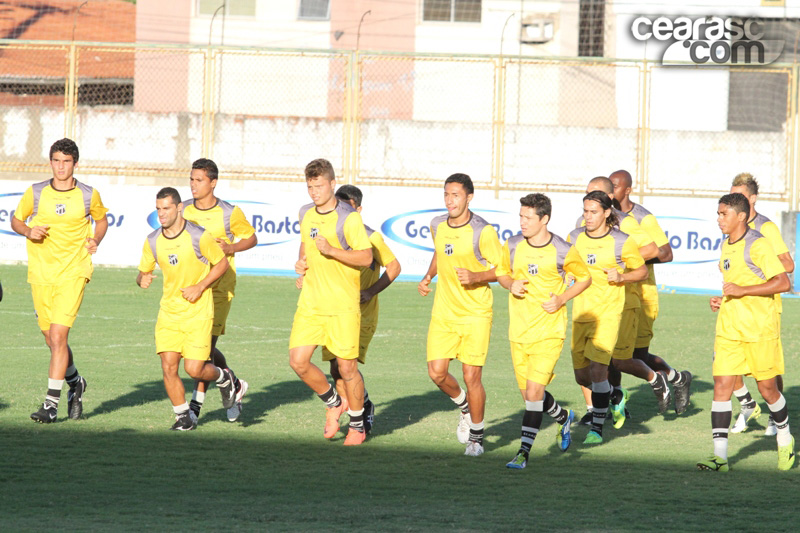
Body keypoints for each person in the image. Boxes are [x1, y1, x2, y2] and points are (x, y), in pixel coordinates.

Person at [11, 138, 108, 423]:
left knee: (58, 336)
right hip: (42, 274)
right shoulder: (36, 192)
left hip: (74, 271)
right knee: (51, 339)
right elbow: (17, 220)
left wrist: (95, 239)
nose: (61, 166)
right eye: (56, 160)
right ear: (50, 162)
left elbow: (101, 220)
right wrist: (28, 231)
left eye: (66, 161)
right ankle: (76, 382)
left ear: (75, 164)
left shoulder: (88, 194)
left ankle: (50, 405)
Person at [699, 192, 793, 471]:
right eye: (718, 214)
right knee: (722, 386)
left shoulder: (758, 244)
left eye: (724, 214)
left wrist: (743, 291)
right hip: (729, 328)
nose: (719, 219)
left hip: (759, 330)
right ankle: (720, 457)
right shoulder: (725, 244)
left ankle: (785, 438)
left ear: (741, 216)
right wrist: (723, 299)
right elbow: (736, 283)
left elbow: (783, 282)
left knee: (768, 390)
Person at [497, 193, 591, 468]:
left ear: (544, 219)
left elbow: (585, 278)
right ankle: (563, 417)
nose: (522, 222)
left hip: (549, 332)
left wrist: (562, 299)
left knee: (535, 392)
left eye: (528, 217)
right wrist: (510, 284)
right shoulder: (512, 244)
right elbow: (501, 272)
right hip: (519, 332)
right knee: (531, 396)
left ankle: (523, 453)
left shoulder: (562, 250)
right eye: (521, 216)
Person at [136, 187, 236, 430]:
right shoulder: (153, 240)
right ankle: (183, 417)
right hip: (169, 313)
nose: (161, 213)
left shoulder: (198, 236)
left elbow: (221, 264)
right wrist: (142, 279)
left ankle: (225, 378)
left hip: (198, 313)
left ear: (179, 208)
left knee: (194, 369)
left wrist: (200, 286)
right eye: (158, 209)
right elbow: (142, 273)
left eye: (166, 208)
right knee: (168, 366)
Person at [418, 173, 503, 457]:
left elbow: (504, 269)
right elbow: (440, 252)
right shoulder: (437, 224)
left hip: (476, 313)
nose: (449, 200)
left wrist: (477, 276)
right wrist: (428, 276)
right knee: (436, 372)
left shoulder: (483, 231)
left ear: (469, 197)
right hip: (444, 312)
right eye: (446, 194)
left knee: (471, 376)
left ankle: (476, 438)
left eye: (455, 195)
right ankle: (464, 407)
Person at [290, 159, 373, 446]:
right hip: (311, 304)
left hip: (342, 307)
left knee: (347, 369)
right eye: (310, 187)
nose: (314, 192)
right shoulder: (305, 213)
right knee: (298, 361)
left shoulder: (349, 218)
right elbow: (305, 245)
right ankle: (334, 402)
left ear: (332, 184)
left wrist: (333, 251)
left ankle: (357, 426)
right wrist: (301, 264)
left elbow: (366, 257)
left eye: (319, 186)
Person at [576, 177, 667, 430]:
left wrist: (620, 262)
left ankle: (653, 381)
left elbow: (654, 250)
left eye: (595, 194)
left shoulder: (626, 223)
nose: (589, 198)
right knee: (586, 367)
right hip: (589, 303)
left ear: (609, 200)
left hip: (622, 301)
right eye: (587, 193)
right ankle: (605, 403)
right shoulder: (581, 225)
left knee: (617, 360)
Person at [316, 185, 401, 435]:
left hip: (362, 315)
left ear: (359, 209)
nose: (342, 210)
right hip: (334, 311)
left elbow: (395, 267)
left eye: (348, 205)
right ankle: (360, 404)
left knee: (346, 365)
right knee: (335, 367)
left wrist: (371, 291)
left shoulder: (371, 237)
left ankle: (359, 415)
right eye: (339, 204)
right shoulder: (332, 234)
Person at [609, 170, 692, 414]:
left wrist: (627, 260)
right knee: (610, 353)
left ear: (627, 190)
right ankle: (614, 404)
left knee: (637, 356)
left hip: (642, 295)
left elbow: (666, 253)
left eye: (615, 187)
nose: (611, 191)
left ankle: (677, 378)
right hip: (616, 295)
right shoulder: (606, 216)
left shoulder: (642, 218)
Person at [567, 190, 648, 444]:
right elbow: (568, 267)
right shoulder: (574, 237)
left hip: (608, 314)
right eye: (585, 211)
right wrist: (567, 277)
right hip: (582, 313)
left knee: (598, 369)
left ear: (606, 212)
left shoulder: (622, 241)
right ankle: (614, 394)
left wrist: (621, 276)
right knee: (582, 377)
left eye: (593, 212)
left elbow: (642, 272)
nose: (588, 216)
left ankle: (597, 429)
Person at [182, 158, 255, 423]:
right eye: (191, 179)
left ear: (213, 183)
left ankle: (194, 410)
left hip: (219, 290)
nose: (193, 184)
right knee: (200, 350)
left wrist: (231, 248)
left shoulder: (229, 213)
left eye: (199, 180)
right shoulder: (183, 210)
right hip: (193, 289)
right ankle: (232, 383)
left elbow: (251, 238)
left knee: (203, 351)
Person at [727, 173, 794, 436]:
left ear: (753, 199)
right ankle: (747, 405)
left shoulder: (765, 228)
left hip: (763, 309)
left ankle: (775, 418)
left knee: (768, 369)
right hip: (736, 308)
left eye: (740, 195)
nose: (734, 199)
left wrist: (755, 273)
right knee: (724, 360)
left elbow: (787, 264)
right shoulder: (732, 224)